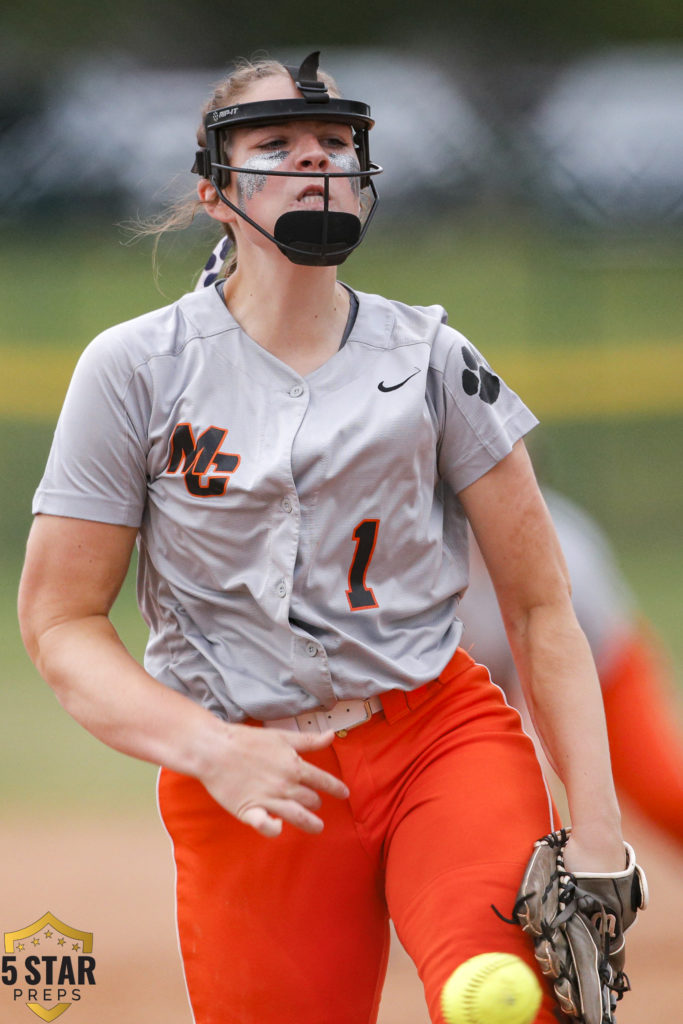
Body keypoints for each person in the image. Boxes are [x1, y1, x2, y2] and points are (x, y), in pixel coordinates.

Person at [18, 51, 633, 1024]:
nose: (318, 160)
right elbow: (59, 625)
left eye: (337, 142)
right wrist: (208, 746)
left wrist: (595, 833)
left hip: (436, 734)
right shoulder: (134, 369)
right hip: (249, 778)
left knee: (498, 996)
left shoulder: (434, 359)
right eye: (277, 142)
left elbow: (537, 606)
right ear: (213, 190)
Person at [460, 484, 683, 851]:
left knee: (665, 796)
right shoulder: (429, 548)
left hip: (604, 674)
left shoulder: (562, 549)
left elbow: (542, 703)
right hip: (488, 687)